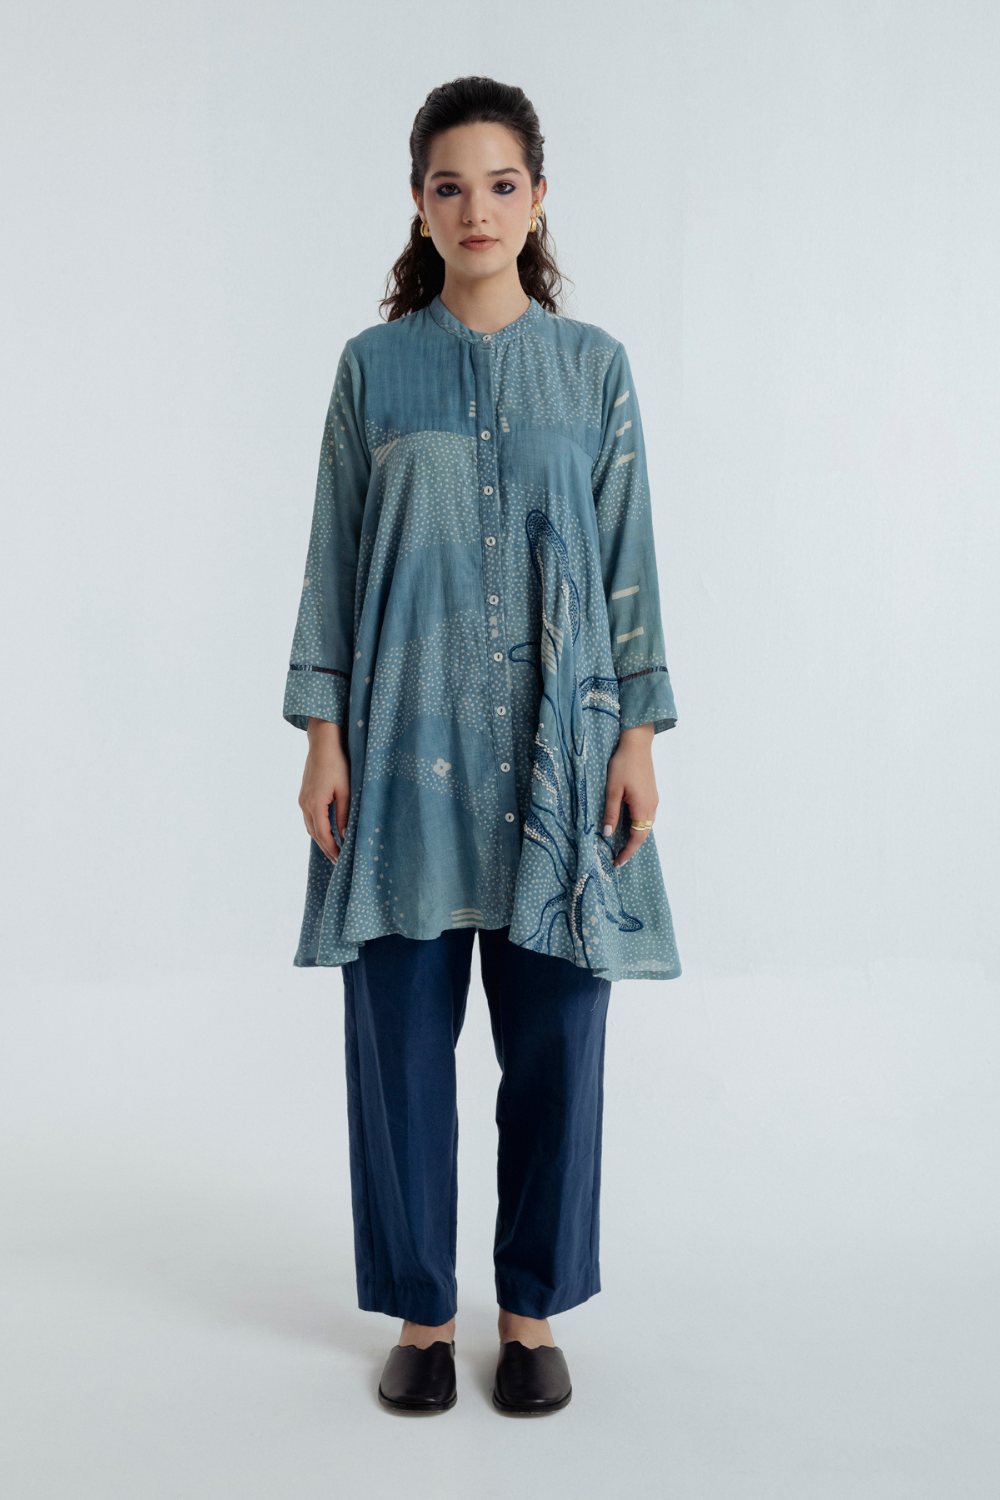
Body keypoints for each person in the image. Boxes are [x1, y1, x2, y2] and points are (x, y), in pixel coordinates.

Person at [283, 76, 681, 1416]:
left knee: (559, 1038)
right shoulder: (373, 368)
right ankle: (421, 1314)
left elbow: (629, 560)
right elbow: (333, 557)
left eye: (501, 184)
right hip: (400, 752)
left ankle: (529, 1312)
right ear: (418, 203)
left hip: (562, 753)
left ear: (539, 197)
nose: (477, 210)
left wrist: (637, 734)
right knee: (398, 1045)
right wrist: (322, 734)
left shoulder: (594, 367)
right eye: (449, 186)